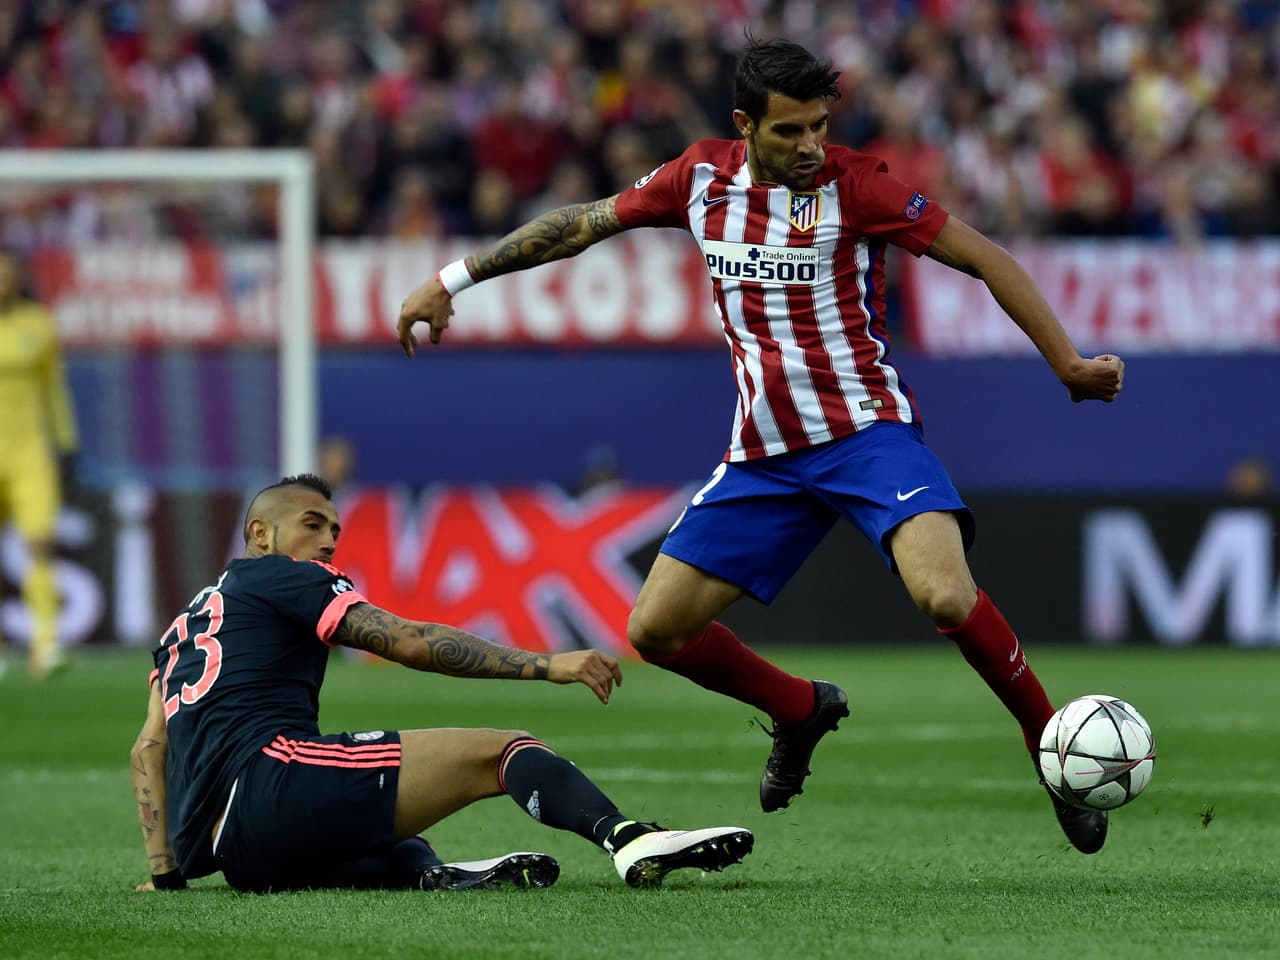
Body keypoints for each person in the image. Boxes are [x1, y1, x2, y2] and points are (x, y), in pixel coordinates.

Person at [396, 38, 1127, 855]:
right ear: (745, 125)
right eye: (790, 132)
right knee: (655, 630)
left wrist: (1065, 361)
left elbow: (985, 257)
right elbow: (580, 225)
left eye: (820, 126)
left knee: (945, 596)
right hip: (763, 456)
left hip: (866, 433)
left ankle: (1048, 750)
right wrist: (451, 279)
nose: (812, 146)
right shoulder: (698, 178)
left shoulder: (861, 187)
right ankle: (798, 708)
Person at [131, 473, 751, 893]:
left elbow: (148, 749)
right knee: (505, 751)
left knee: (392, 832)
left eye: (334, 532)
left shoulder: (183, 624)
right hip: (275, 784)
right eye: (312, 525)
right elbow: (408, 642)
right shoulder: (286, 576)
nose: (327, 543)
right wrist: (546, 664)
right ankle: (629, 839)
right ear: (260, 534)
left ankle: (433, 876)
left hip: (238, 853)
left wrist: (165, 876)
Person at [0, 249, 79, 680]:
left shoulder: (37, 324)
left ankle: (46, 643)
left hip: (30, 453)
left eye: (8, 271)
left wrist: (66, 442)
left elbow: (55, 390)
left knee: (40, 546)